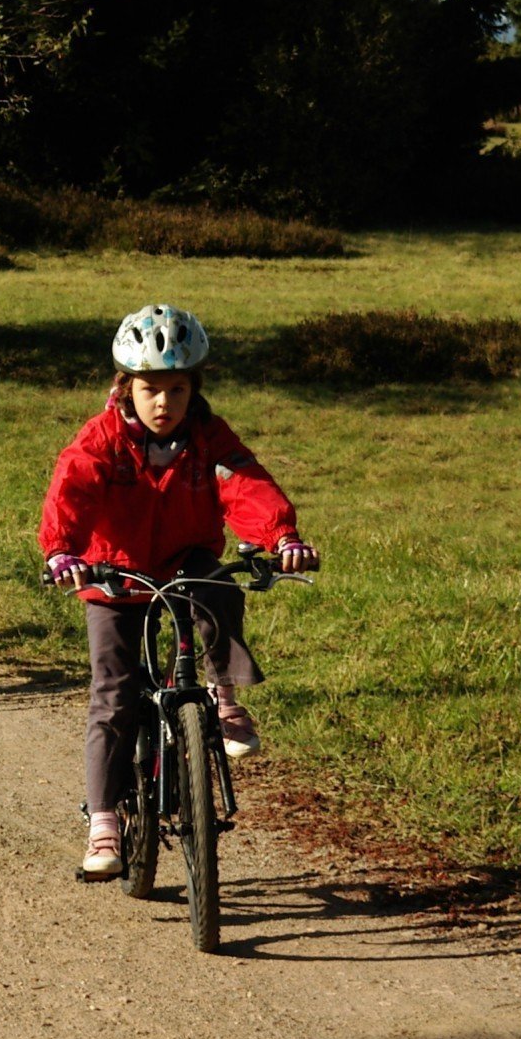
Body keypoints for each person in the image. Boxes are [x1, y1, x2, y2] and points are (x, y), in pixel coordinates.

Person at [39, 304, 319, 880]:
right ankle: (103, 820)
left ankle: (223, 694)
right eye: (150, 390)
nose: (163, 402)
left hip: (185, 560)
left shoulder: (209, 437)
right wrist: (63, 552)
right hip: (113, 574)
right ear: (126, 388)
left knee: (217, 584)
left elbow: (245, 484)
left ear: (195, 389)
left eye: (177, 389)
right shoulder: (102, 439)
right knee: (114, 693)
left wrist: (283, 537)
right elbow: (71, 491)